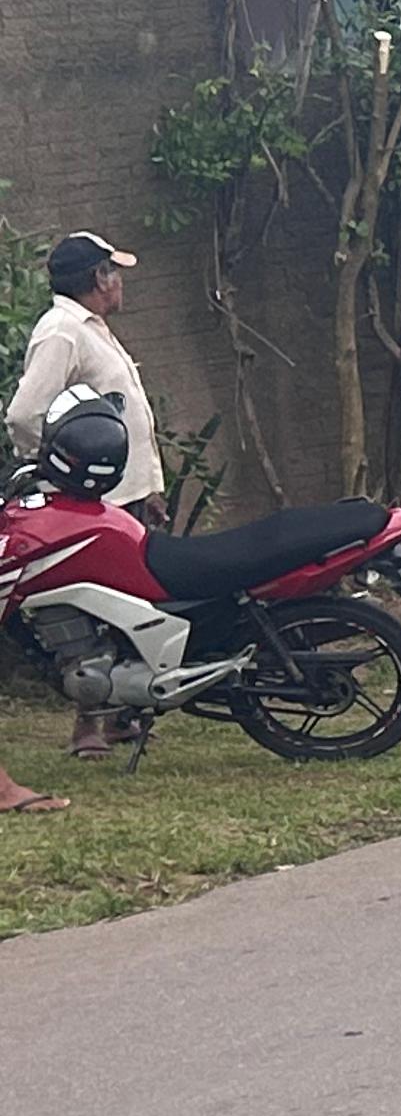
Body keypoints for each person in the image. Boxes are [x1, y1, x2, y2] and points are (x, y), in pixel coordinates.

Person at [13, 232, 164, 759]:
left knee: (134, 608)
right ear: (99, 279)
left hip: (126, 497)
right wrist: (72, 474)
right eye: (114, 272)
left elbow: (128, 415)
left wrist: (151, 485)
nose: (120, 282)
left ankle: (121, 713)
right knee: (100, 611)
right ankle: (90, 725)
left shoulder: (91, 328)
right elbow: (24, 415)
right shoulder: (62, 332)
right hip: (98, 504)